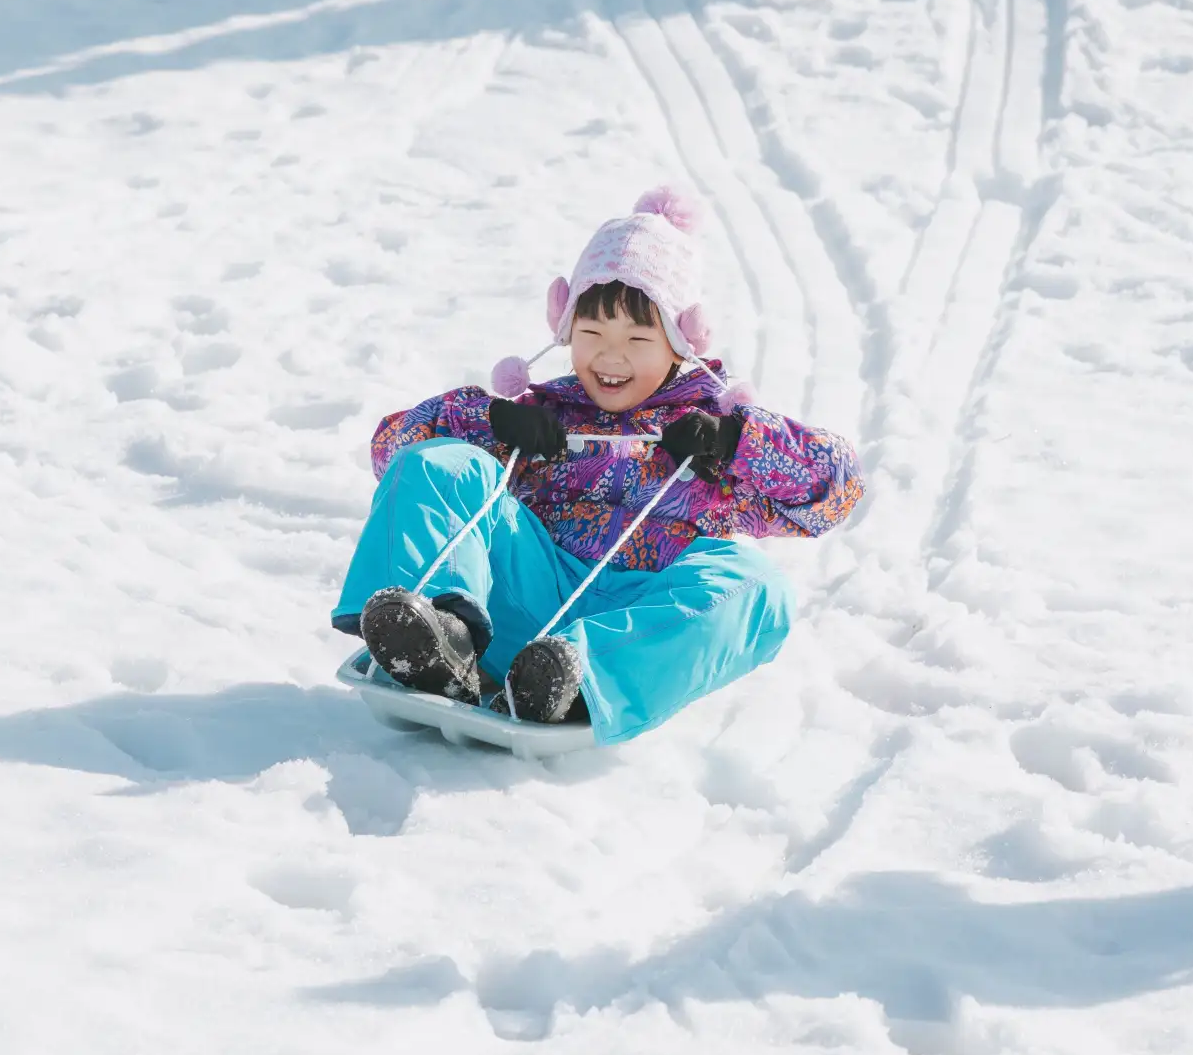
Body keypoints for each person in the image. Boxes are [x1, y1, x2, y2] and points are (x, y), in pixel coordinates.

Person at [330, 187, 864, 745]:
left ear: (681, 344)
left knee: (759, 586)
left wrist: (737, 441)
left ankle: (573, 681)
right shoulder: (538, 415)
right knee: (439, 461)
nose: (611, 356)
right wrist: (489, 420)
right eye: (591, 334)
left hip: (634, 622)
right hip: (514, 597)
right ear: (565, 331)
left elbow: (838, 491)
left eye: (638, 338)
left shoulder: (714, 443)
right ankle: (437, 634)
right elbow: (393, 453)